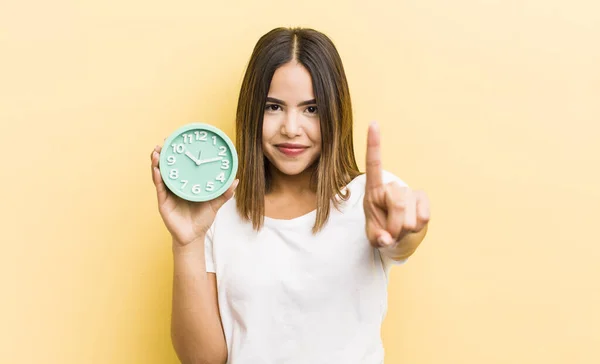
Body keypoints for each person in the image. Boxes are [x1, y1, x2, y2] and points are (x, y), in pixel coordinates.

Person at [150, 27, 430, 364]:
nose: (291, 128)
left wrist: (403, 231)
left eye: (311, 109)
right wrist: (186, 243)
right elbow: (203, 360)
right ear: (252, 112)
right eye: (273, 107)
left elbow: (401, 236)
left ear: (335, 112)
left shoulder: (369, 198)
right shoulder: (217, 211)